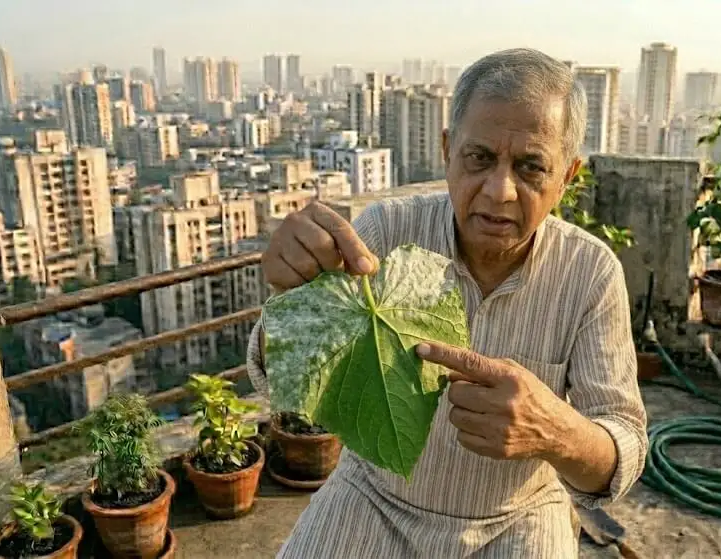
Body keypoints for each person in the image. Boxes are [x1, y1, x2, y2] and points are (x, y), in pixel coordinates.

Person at [247, 48, 648, 558]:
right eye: (479, 158)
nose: (500, 191)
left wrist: (557, 431)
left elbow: (625, 448)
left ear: (566, 177)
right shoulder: (383, 235)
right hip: (376, 497)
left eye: (530, 168)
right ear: (447, 150)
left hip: (518, 516)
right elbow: (278, 378)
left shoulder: (589, 273)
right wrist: (292, 294)